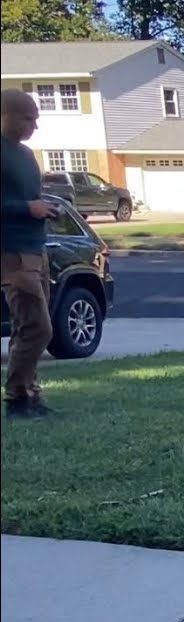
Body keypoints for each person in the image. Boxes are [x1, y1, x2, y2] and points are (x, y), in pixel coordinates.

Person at [1, 88, 59, 420]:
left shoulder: (25, 155)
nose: (33, 126)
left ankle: (30, 395)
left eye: (36, 119)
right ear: (5, 115)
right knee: (39, 328)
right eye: (28, 119)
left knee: (28, 327)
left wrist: (45, 208)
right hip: (11, 253)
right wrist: (27, 208)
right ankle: (16, 400)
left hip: (37, 250)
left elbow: (30, 197)